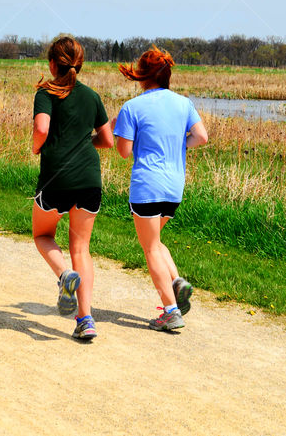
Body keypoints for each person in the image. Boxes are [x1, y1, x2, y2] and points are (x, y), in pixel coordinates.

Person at [112, 46, 209, 331]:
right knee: (155, 241)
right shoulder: (184, 104)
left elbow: (123, 152)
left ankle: (170, 310)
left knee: (150, 248)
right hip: (174, 187)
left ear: (143, 77)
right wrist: (181, 144)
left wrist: (118, 127)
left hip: (147, 187)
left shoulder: (132, 108)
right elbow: (201, 137)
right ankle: (177, 282)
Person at [31, 36, 113, 340]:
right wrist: (82, 145)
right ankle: (85, 319)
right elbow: (106, 140)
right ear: (80, 64)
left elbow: (41, 128)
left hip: (56, 179)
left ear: (52, 64)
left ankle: (65, 276)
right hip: (89, 179)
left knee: (42, 235)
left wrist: (37, 148)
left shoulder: (46, 93)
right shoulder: (91, 96)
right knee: (81, 248)